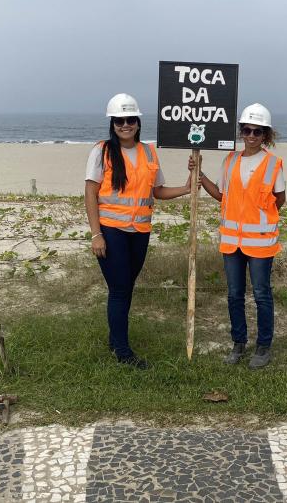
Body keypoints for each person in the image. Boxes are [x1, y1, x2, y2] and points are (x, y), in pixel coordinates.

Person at [85, 93, 191, 369]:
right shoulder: (101, 151)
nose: (125, 125)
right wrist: (96, 234)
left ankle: (114, 338)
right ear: (112, 123)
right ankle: (122, 351)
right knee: (120, 289)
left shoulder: (148, 151)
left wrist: (187, 187)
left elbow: (158, 191)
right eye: (119, 120)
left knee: (125, 288)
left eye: (130, 119)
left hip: (139, 232)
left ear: (137, 122)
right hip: (111, 231)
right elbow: (90, 194)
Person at [191, 103, 286, 369]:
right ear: (241, 132)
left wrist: (259, 219)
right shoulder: (230, 160)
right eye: (247, 130)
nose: (252, 135)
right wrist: (200, 173)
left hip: (260, 243)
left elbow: (280, 199)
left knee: (261, 294)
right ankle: (238, 343)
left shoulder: (272, 163)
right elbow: (222, 195)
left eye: (258, 131)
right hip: (232, 242)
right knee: (234, 294)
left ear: (266, 135)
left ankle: (263, 347)